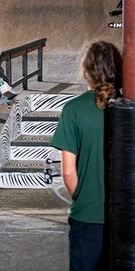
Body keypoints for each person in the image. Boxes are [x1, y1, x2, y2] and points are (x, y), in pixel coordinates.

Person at [50, 41, 122, 271]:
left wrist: (83, 200)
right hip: (126, 215)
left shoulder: (73, 110)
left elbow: (69, 172)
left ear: (87, 70)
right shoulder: (128, 108)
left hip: (88, 216)